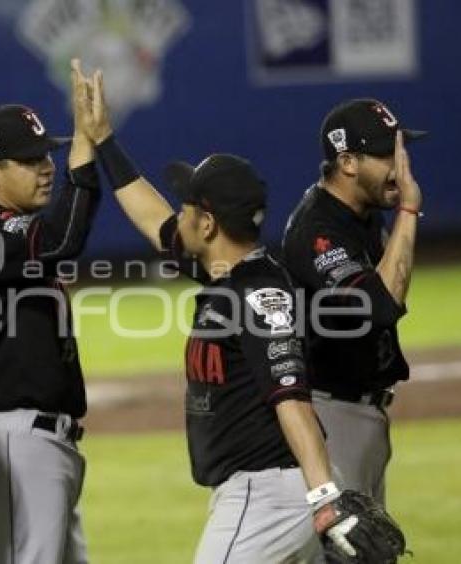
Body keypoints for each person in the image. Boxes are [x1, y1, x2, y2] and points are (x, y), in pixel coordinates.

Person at [76, 66, 402, 562]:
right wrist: (104, 143)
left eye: (186, 207)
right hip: (263, 492)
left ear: (208, 225)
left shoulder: (256, 296)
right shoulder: (233, 275)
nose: (176, 217)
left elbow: (291, 399)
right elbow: (151, 218)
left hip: (266, 497)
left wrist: (323, 499)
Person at [0, 59, 101, 564]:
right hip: (12, 441)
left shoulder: (7, 233)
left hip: (35, 443)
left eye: (48, 155)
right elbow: (61, 237)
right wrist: (84, 145)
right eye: (30, 159)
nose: (47, 166)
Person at [282, 99, 426, 504]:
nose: (400, 166)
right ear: (347, 162)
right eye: (386, 155)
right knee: (348, 547)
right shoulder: (318, 230)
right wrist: (410, 211)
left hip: (360, 411)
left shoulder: (362, 214)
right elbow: (379, 306)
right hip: (332, 415)